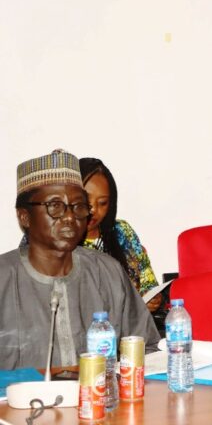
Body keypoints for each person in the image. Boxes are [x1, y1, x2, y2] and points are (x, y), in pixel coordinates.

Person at [0, 149, 160, 370]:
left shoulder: (109, 273)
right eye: (55, 206)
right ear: (24, 216)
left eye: (78, 207)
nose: (69, 217)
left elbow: (148, 351)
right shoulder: (4, 278)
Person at [80, 158, 162, 312]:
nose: (93, 210)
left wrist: (152, 298)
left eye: (102, 203)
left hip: (132, 331)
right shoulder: (61, 239)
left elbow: (148, 282)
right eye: (86, 200)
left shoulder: (123, 232)